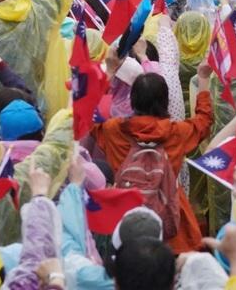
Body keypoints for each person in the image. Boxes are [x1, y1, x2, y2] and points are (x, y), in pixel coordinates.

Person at [91, 61, 215, 253]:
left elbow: (88, 115)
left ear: (133, 100)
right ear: (165, 101)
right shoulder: (177, 132)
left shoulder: (113, 130)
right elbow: (204, 121)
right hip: (171, 222)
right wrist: (204, 80)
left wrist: (109, 72)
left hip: (125, 218)